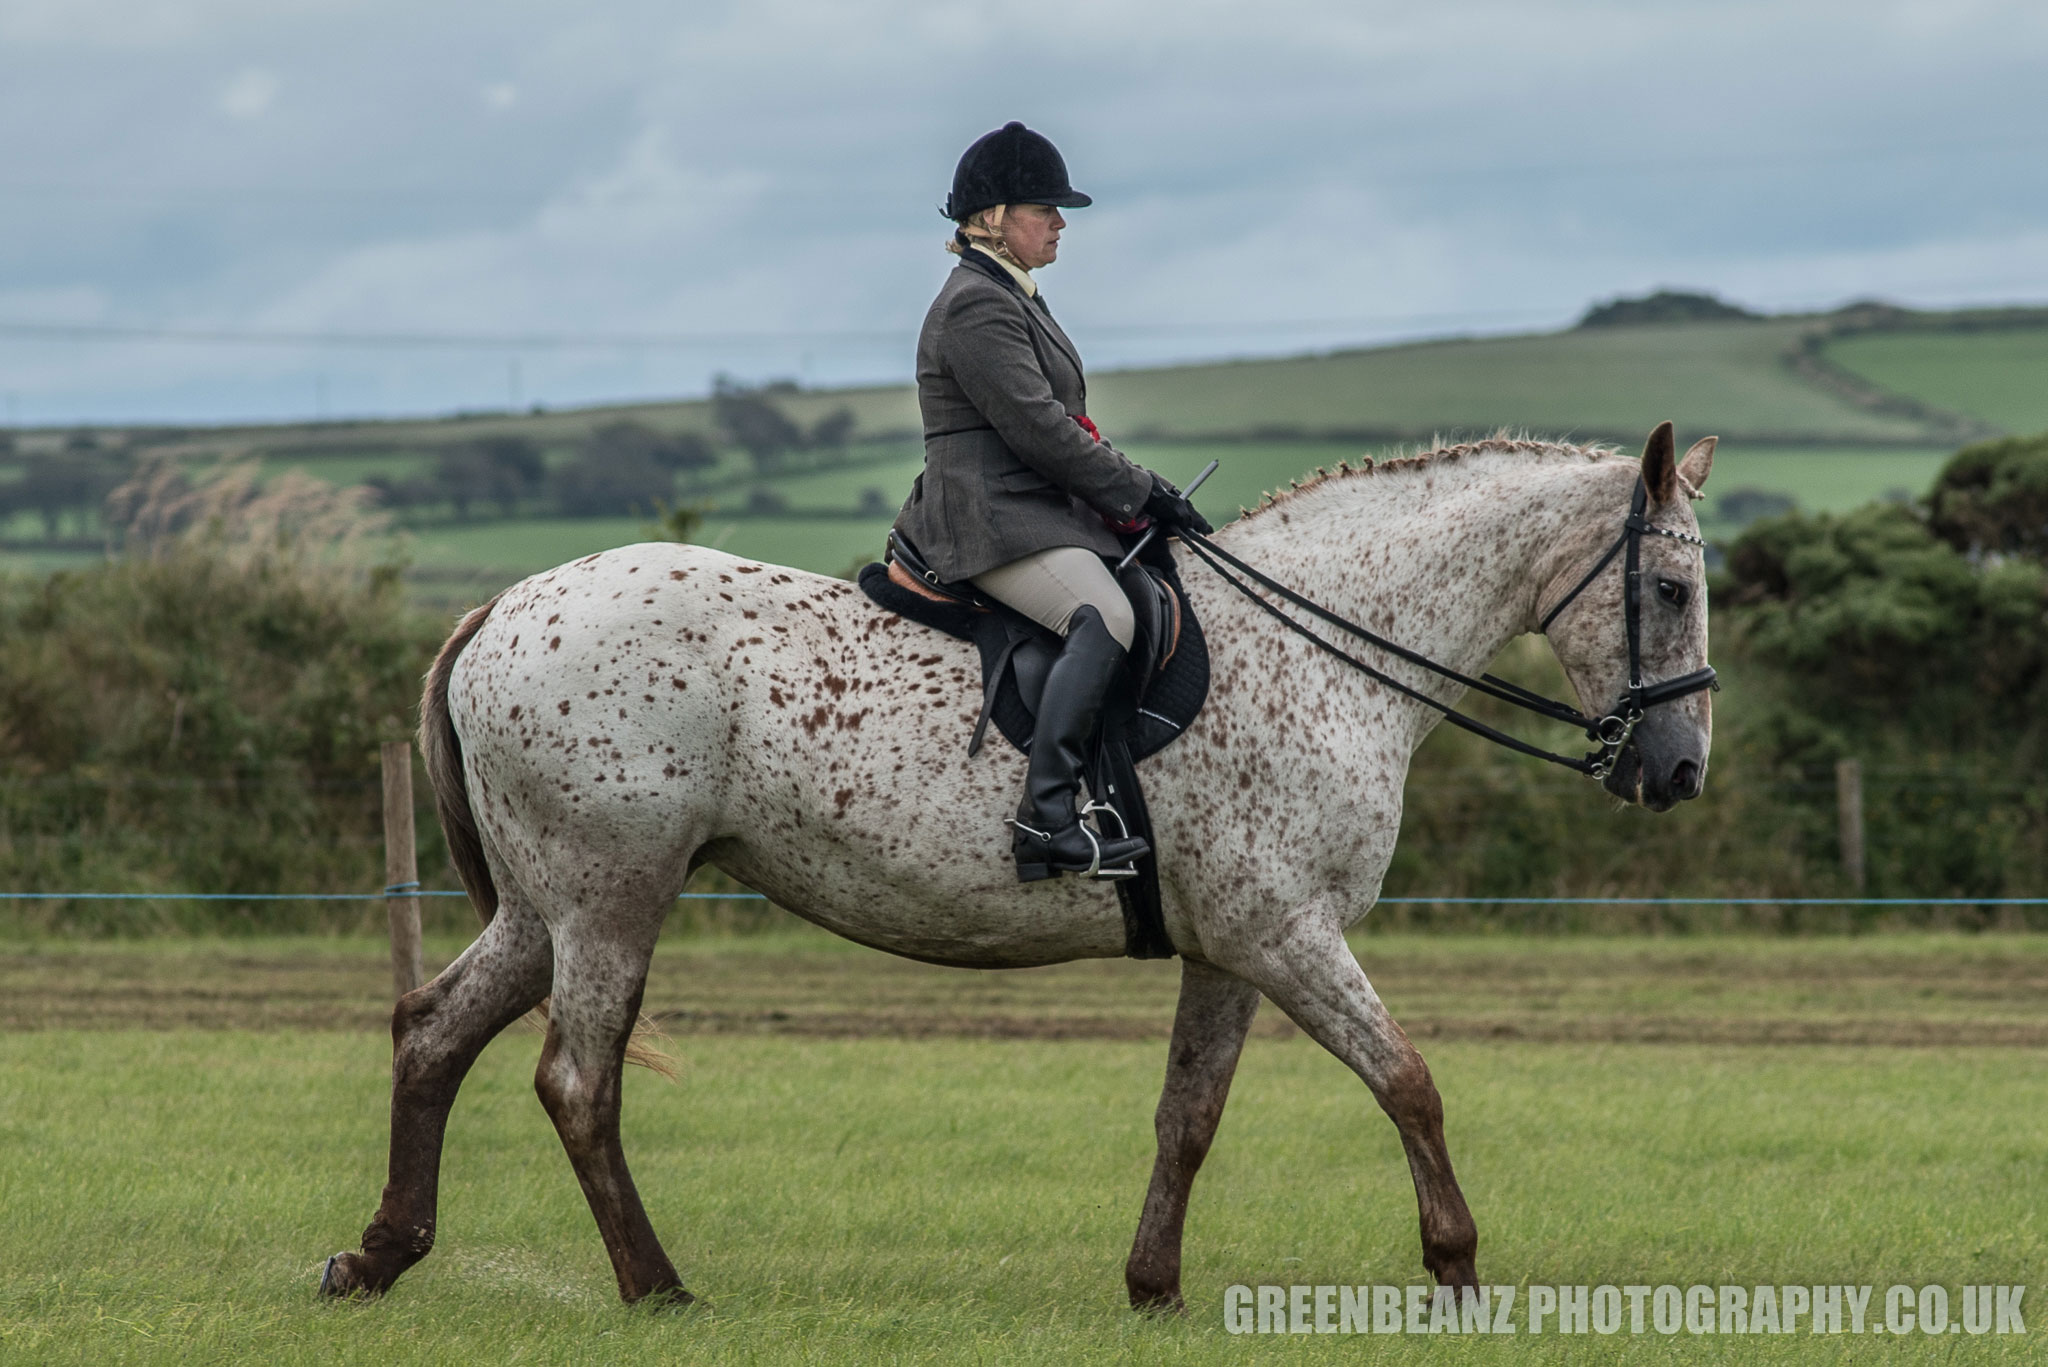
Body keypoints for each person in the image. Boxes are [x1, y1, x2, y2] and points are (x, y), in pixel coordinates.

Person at [893, 121, 1212, 883]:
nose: (1062, 223)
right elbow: (1041, 431)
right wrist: (1140, 491)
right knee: (1105, 617)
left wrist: (1147, 492)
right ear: (993, 217)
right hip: (988, 517)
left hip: (1035, 509)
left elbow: (1065, 427)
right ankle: (1048, 815)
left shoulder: (1013, 295)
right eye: (1046, 209)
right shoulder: (977, 305)